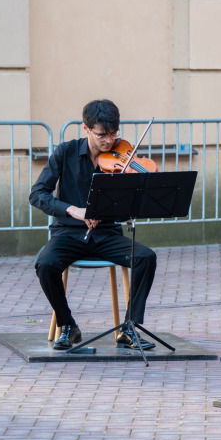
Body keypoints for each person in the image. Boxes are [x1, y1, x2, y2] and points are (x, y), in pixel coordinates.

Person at [30, 99, 158, 351]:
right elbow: (37, 194)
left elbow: (132, 206)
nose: (109, 141)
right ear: (86, 129)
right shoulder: (65, 153)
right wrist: (73, 210)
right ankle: (68, 326)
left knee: (146, 257)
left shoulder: (123, 159)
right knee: (45, 264)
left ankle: (129, 328)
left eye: (113, 134)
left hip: (107, 234)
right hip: (68, 233)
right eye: (101, 135)